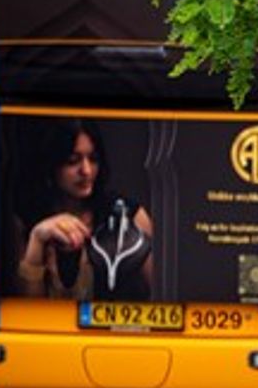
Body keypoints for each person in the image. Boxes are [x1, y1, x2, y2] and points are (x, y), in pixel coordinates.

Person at [11, 119, 155, 300]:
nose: (86, 171)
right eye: (73, 161)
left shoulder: (129, 215)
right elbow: (26, 316)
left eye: (93, 159)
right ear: (51, 164)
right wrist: (37, 239)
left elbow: (163, 295)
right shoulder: (24, 219)